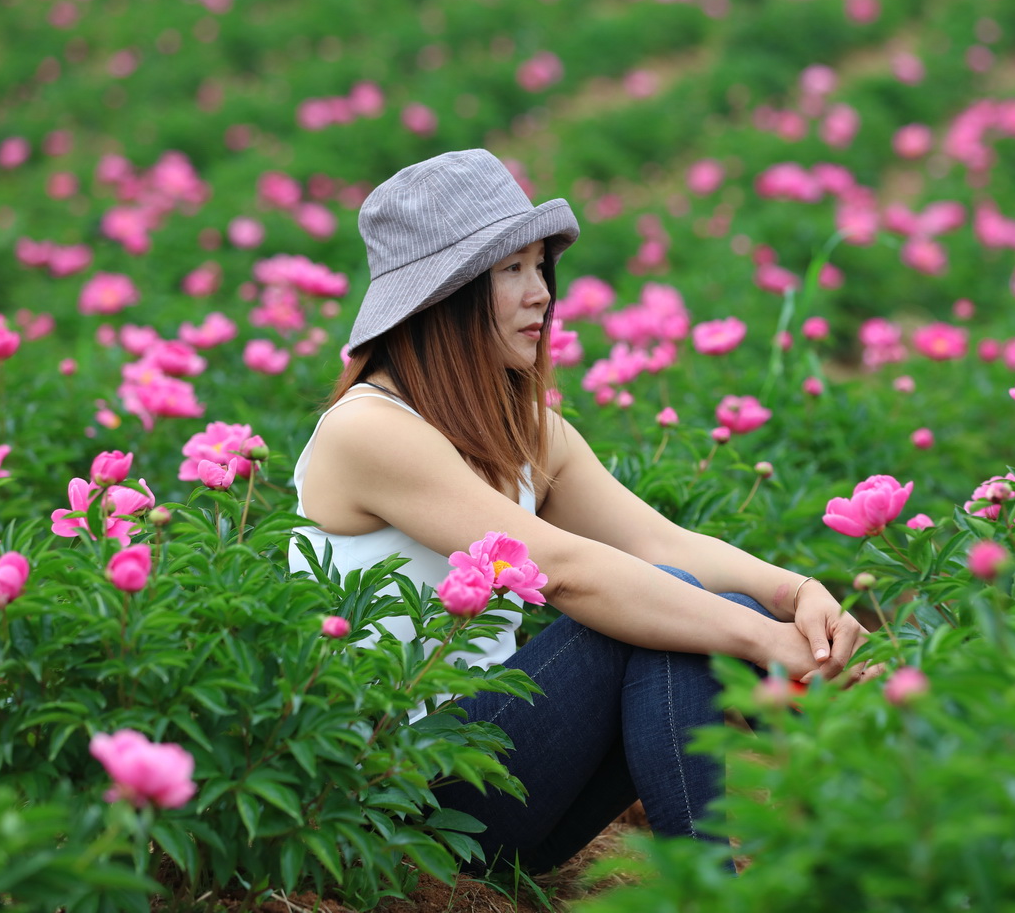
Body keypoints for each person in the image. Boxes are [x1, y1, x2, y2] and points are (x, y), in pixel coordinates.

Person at [289, 148, 868, 873]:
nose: (541, 294)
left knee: (676, 599)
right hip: (403, 797)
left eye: (540, 267)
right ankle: (711, 886)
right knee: (663, 612)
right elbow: (563, 570)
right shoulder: (368, 429)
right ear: (445, 294)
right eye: (511, 270)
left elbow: (658, 542)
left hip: (505, 787)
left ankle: (713, 881)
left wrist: (794, 595)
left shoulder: (523, 429)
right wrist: (760, 640)